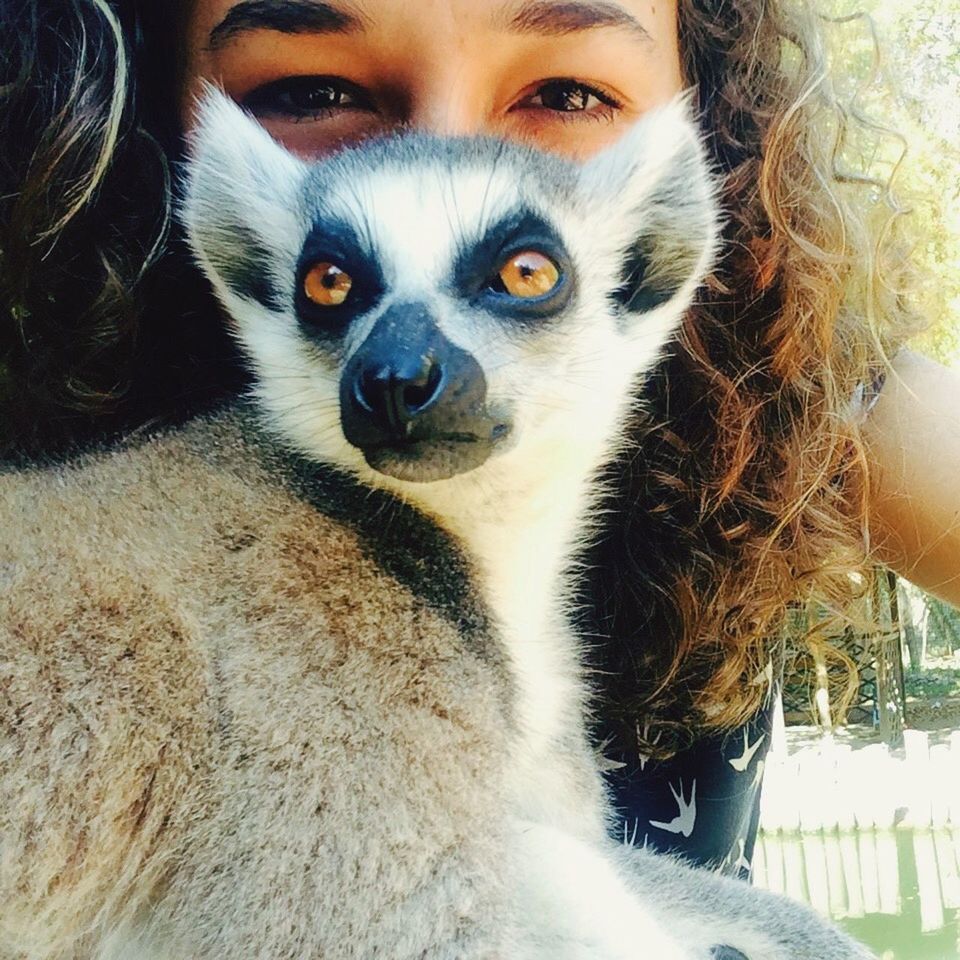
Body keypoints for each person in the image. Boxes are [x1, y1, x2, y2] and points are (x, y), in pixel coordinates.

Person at [2, 0, 958, 876]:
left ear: (648, 249)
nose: (443, 152)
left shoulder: (813, 406)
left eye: (566, 93)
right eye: (313, 92)